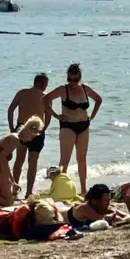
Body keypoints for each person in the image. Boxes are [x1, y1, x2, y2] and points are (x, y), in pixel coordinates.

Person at [42, 63, 103, 195]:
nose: (72, 83)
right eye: (70, 79)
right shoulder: (63, 89)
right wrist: (56, 115)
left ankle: (83, 189)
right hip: (68, 126)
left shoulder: (85, 89)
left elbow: (98, 99)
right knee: (65, 160)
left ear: (80, 78)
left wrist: (92, 116)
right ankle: (59, 189)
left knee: (82, 158)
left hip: (83, 126)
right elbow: (45, 100)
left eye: (75, 80)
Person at [8, 73, 51, 199]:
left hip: (21, 129)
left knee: (19, 161)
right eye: (45, 84)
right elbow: (48, 116)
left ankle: (14, 190)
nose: (46, 86)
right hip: (36, 130)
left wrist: (12, 128)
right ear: (40, 83)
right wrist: (44, 129)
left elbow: (10, 110)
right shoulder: (45, 97)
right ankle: (28, 192)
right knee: (32, 162)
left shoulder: (22, 93)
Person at [61, 184, 130, 227]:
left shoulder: (104, 206)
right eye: (105, 200)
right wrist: (114, 214)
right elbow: (102, 219)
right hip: (59, 215)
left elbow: (128, 216)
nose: (108, 203)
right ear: (94, 201)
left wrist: (120, 220)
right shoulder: (84, 208)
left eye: (109, 200)